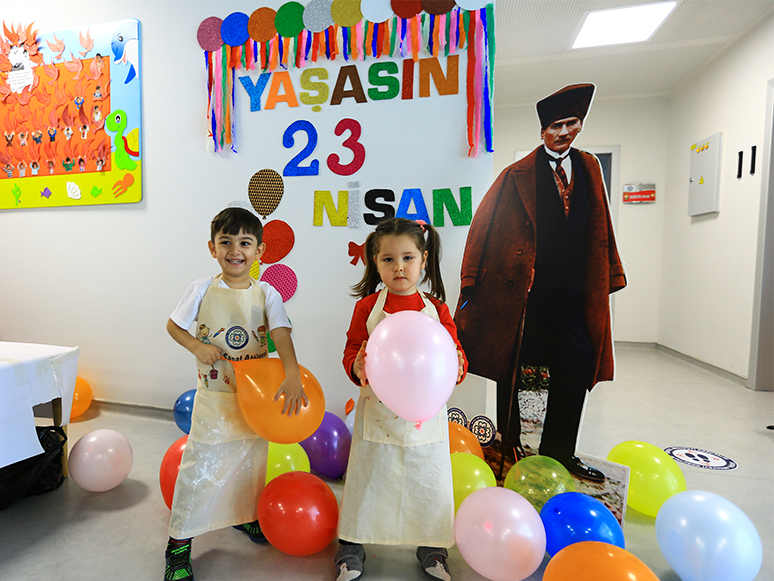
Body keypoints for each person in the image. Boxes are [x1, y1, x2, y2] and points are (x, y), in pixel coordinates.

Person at [454, 83, 626, 482]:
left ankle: (559, 452)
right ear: (542, 131)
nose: (564, 132)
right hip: (525, 298)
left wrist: (610, 272)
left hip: (574, 296)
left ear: (579, 125)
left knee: (577, 367)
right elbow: (482, 227)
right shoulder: (516, 174)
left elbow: (601, 224)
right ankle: (508, 443)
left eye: (571, 123)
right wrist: (472, 281)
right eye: (555, 125)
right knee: (509, 369)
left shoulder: (589, 168)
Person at [164, 207, 308, 581]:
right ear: (212, 248)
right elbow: (174, 326)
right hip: (214, 396)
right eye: (225, 242)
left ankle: (244, 517)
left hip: (253, 400)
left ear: (259, 250)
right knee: (200, 468)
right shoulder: (201, 289)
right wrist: (197, 346)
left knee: (250, 463)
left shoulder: (267, 293)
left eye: (244, 243)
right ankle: (179, 545)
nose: (235, 250)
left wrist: (292, 374)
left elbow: (280, 335)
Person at [339, 218, 467, 581]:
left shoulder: (438, 310)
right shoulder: (367, 308)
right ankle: (351, 546)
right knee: (369, 480)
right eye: (388, 259)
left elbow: (455, 353)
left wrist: (458, 364)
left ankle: (432, 547)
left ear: (423, 260)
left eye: (408, 257)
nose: (399, 267)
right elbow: (350, 350)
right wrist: (357, 364)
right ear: (375, 263)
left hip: (425, 419)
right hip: (377, 413)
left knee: (427, 481)